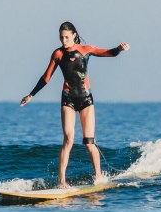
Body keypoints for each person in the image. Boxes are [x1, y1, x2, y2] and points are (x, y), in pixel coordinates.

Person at [20, 21, 130, 188]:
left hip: (86, 99)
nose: (63, 41)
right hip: (68, 99)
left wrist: (119, 49)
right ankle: (61, 181)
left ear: (74, 35)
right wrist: (31, 95)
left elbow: (109, 53)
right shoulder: (58, 54)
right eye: (61, 37)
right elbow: (46, 77)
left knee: (89, 142)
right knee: (68, 139)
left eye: (66, 37)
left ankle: (98, 176)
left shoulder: (86, 49)